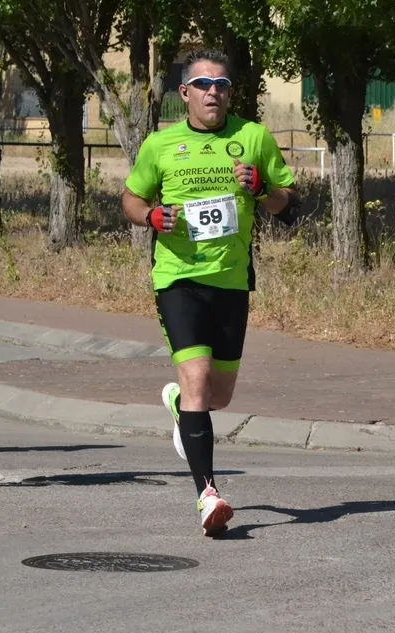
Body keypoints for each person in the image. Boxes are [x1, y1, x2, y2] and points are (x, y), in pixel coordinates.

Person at [122, 49, 296, 536]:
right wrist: (151, 216)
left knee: (218, 394)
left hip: (232, 281)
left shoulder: (253, 137)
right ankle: (208, 495)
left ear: (230, 93)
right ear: (184, 93)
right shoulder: (161, 144)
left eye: (221, 85)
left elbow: (287, 204)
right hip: (177, 277)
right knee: (199, 381)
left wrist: (261, 188)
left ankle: (181, 405)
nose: (213, 92)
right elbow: (131, 198)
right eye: (203, 84)